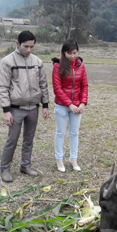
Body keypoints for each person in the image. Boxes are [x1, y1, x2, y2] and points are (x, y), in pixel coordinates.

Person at [0, 31, 50, 182]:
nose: (29, 50)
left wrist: (45, 105)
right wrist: (6, 111)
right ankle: (5, 168)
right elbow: (2, 87)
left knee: (29, 139)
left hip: (33, 107)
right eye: (26, 46)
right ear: (17, 44)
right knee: (12, 139)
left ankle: (25, 165)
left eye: (32, 47)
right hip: (15, 108)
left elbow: (43, 84)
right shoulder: (7, 61)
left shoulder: (37, 62)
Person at [52, 39, 88, 172]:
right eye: (69, 53)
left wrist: (83, 103)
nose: (72, 56)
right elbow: (57, 88)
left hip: (77, 106)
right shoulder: (57, 65)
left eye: (74, 52)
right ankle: (59, 160)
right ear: (64, 52)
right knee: (60, 133)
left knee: (74, 133)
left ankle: (74, 159)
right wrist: (69, 104)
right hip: (62, 106)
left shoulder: (81, 65)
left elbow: (84, 85)